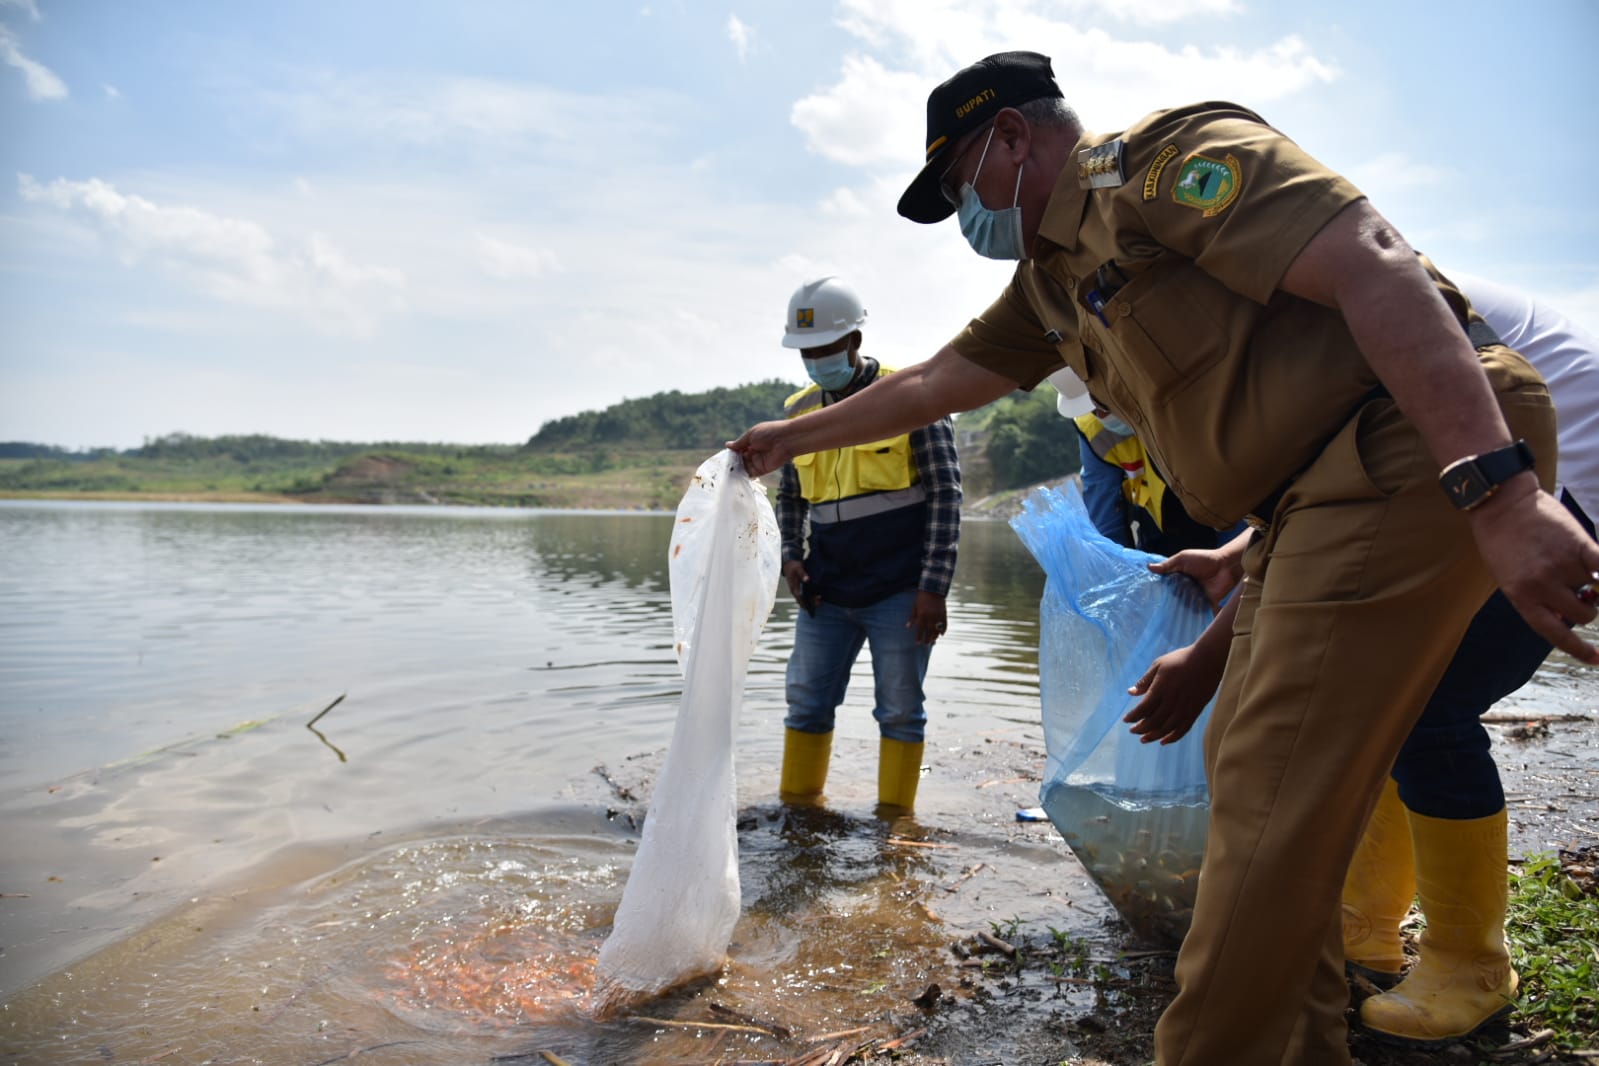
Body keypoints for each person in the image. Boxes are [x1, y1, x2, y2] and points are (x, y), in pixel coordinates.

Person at [728, 51, 1599, 1066]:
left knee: (1273, 796)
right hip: (1312, 500)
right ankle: (1299, 1040)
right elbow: (931, 382)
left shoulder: (1164, 164)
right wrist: (791, 438)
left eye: (961, 183)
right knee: (1256, 780)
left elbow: (1372, 260)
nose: (967, 212)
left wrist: (1498, 490)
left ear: (1011, 138)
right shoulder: (1048, 282)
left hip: (1411, 449)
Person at [1124, 275, 1599, 1046]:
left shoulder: (1313, 310)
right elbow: (1338, 483)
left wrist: (1209, 653)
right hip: (1476, 460)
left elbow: (1363, 489)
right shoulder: (1281, 313)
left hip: (1557, 468)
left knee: (1426, 700)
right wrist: (1239, 554)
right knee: (1371, 693)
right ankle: (1365, 930)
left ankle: (1470, 965)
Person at [771, 276, 962, 817]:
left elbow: (947, 494)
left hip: (900, 594)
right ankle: (799, 816)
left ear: (854, 341)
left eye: (826, 349)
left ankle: (896, 826)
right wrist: (791, 557)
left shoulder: (911, 399)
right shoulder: (800, 410)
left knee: (901, 711)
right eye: (806, 352)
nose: (815, 362)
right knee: (806, 704)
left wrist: (933, 588)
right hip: (824, 593)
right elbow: (791, 497)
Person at [1073, 401, 1246, 556]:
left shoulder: (1174, 396)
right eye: (1094, 410)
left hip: (1230, 510)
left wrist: (1230, 557)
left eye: (1103, 405)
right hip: (1164, 529)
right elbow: (1107, 528)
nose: (1102, 415)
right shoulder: (1092, 430)